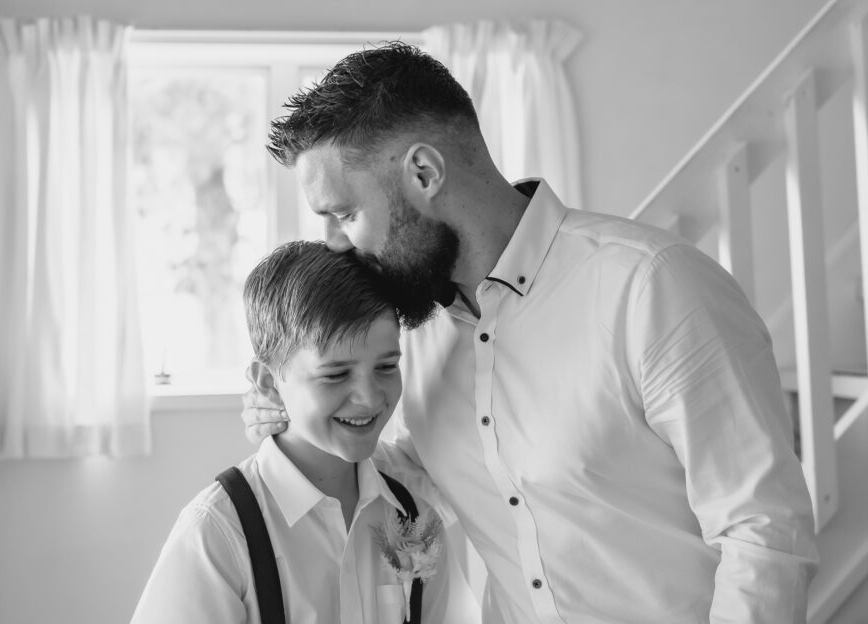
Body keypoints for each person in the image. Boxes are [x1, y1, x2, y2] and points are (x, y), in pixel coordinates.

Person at [245, 42, 819, 623]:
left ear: (424, 172)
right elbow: (436, 472)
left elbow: (764, 533)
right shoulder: (416, 333)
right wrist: (302, 422)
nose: (337, 243)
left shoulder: (650, 287)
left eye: (345, 214)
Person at [131, 241, 477, 624]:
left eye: (386, 366)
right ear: (268, 382)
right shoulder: (218, 535)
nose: (369, 397)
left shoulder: (416, 520)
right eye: (336, 374)